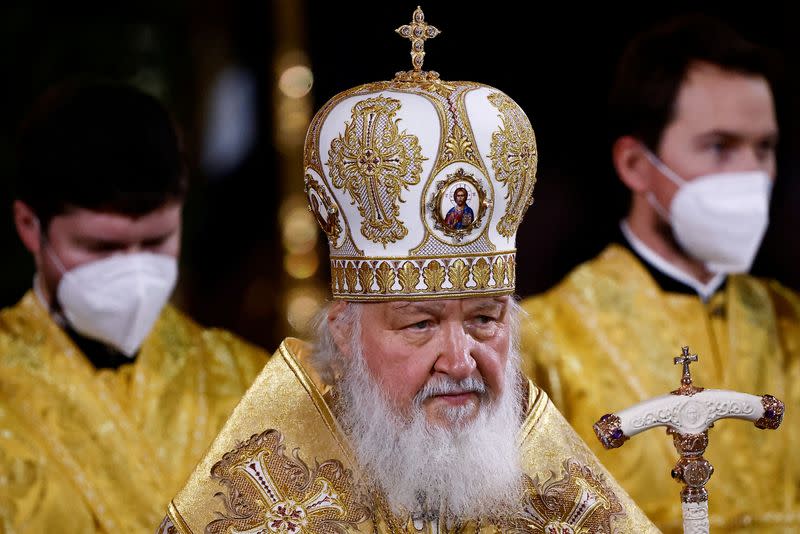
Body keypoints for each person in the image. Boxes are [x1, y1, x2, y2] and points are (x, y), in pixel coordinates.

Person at [158, 9, 657, 533]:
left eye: (484, 320)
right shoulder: (269, 495)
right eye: (421, 324)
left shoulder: (563, 497)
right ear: (345, 332)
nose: (461, 362)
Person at [519, 15, 799, 532]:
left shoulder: (792, 322)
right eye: (719, 146)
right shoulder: (545, 338)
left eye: (764, 148)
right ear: (634, 165)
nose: (752, 175)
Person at [0, 81, 268, 532]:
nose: (134, 272)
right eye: (100, 248)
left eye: (156, 242)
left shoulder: (249, 381)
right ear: (30, 226)